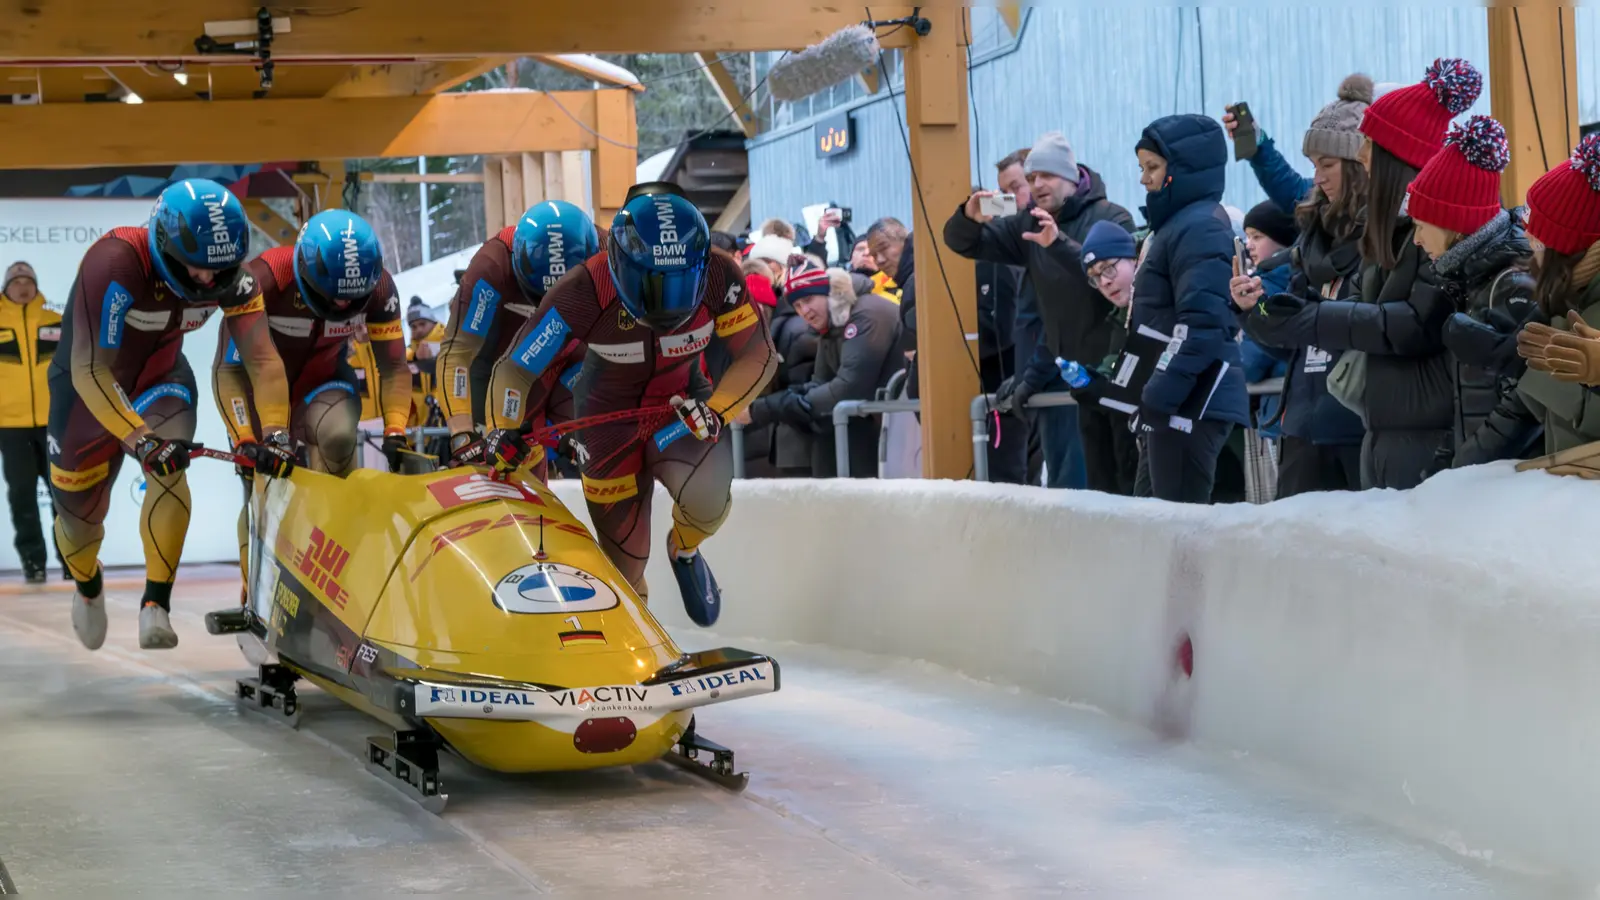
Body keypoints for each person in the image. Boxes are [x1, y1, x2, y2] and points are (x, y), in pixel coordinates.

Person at [474, 182, 778, 627]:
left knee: (708, 501)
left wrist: (717, 409)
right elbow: (516, 369)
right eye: (650, 283)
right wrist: (505, 427)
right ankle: (638, 642)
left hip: (682, 411)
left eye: (679, 283)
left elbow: (759, 353)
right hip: (605, 424)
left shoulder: (720, 275)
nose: (665, 301)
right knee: (626, 567)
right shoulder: (584, 288)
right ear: (618, 262)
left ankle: (684, 549)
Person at [48, 178, 296, 651]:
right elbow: (90, 369)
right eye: (196, 266)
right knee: (79, 527)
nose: (208, 279)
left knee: (170, 466)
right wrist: (140, 439)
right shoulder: (116, 262)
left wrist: (277, 432)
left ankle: (155, 602)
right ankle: (87, 583)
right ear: (164, 244)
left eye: (220, 267)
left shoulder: (237, 281)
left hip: (160, 380)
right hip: (86, 390)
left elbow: (262, 360)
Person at [1245, 59, 1481, 490]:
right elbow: (1345, 317)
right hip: (1365, 425)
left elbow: (1414, 324)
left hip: (1406, 432)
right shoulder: (1361, 234)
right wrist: (1258, 312)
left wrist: (1314, 317)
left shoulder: (1430, 234)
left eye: (1367, 146)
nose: (1362, 154)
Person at [944, 132, 1136, 493]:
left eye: (1045, 175)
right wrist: (967, 217)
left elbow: (1117, 282)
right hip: (1061, 371)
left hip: (1111, 370)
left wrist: (1058, 244)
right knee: (1071, 486)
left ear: (1071, 175)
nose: (1037, 185)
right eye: (1031, 178)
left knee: (1116, 482)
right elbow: (964, 244)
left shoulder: (1111, 217)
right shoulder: (1028, 223)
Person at [1229, 75, 1373, 496]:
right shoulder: (1310, 243)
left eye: (1327, 165)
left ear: (1359, 164)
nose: (1318, 178)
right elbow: (1288, 343)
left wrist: (1260, 149)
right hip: (1300, 427)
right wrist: (1254, 309)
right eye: (1313, 166)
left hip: (1357, 428)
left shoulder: (1387, 239)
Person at [214, 209, 411, 477]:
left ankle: (335, 501)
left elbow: (394, 367)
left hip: (324, 383)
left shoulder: (381, 289)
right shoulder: (266, 278)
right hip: (258, 390)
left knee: (338, 436)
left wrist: (396, 430)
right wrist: (244, 436)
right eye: (334, 293)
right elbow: (229, 368)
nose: (344, 303)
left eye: (355, 295)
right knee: (265, 474)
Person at [1399, 116, 1543, 472]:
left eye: (1421, 225)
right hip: (1488, 478)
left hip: (1508, 483)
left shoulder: (1510, 284)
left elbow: (1523, 403)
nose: (1416, 240)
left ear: (1454, 224)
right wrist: (1449, 459)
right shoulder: (1474, 279)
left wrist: (1464, 466)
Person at [1129, 114, 1251, 503]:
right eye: (1142, 168)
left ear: (1181, 169)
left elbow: (1201, 324)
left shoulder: (1199, 227)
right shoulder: (1178, 225)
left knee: (1176, 526)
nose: (1144, 179)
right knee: (1153, 522)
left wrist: (1157, 396)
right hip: (1176, 400)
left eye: (1152, 167)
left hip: (1191, 402)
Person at [436, 200, 599, 482]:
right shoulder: (492, 266)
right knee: (504, 460)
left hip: (565, 364)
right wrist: (462, 432)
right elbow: (458, 352)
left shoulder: (605, 255)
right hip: (497, 368)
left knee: (599, 451)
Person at [741, 259, 901, 477]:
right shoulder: (831, 324)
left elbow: (847, 389)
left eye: (808, 300)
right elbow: (819, 382)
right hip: (881, 425)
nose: (805, 311)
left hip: (899, 427)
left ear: (828, 293)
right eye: (798, 306)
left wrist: (766, 408)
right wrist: (771, 405)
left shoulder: (866, 315)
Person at [1512, 134, 1600, 451]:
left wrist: (1531, 371)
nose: (1525, 235)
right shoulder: (1575, 293)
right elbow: (1551, 419)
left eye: (1535, 236)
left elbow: (1588, 421)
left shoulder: (1591, 307)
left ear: (1564, 248)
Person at [1051, 221, 1142, 494]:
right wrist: (1087, 383)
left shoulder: (1156, 309)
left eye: (1108, 268)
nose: (1104, 282)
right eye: (1095, 277)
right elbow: (1117, 387)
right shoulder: (1118, 321)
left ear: (1134, 259)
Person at [0, 261, 68, 582]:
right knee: (22, 495)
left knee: (64, 495)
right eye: (16, 282)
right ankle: (33, 563)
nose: (23, 287)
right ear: (6, 288)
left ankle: (73, 562)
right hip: (10, 426)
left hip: (54, 423)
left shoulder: (56, 319)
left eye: (28, 281)